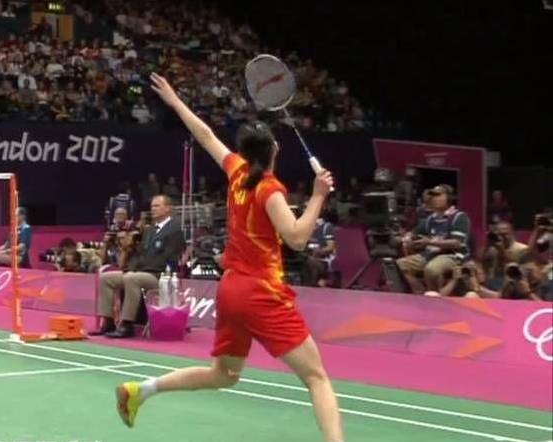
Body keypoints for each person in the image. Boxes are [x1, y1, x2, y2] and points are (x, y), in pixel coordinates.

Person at [113, 73, 344, 442]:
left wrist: (175, 101)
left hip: (231, 290)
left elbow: (205, 135)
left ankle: (141, 390)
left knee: (223, 374)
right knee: (317, 378)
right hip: (261, 292)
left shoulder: (237, 171)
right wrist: (318, 195)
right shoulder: (269, 189)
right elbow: (298, 238)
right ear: (273, 150)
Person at [91, 195, 185, 338]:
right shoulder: (149, 230)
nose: (153, 209)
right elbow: (138, 254)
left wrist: (138, 270)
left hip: (159, 276)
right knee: (106, 278)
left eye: (157, 206)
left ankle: (126, 324)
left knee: (131, 278)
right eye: (152, 206)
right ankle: (108, 322)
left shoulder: (175, 231)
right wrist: (129, 268)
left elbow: (170, 259)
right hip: (139, 273)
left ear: (167, 209)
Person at [397, 185, 471, 293]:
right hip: (431, 254)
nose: (434, 198)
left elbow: (456, 243)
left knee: (431, 269)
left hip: (452, 255)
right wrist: (407, 239)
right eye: (432, 195)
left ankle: (434, 296)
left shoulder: (459, 217)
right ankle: (420, 292)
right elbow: (413, 233)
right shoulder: (431, 218)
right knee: (400, 265)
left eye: (438, 195)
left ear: (449, 198)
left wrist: (430, 242)